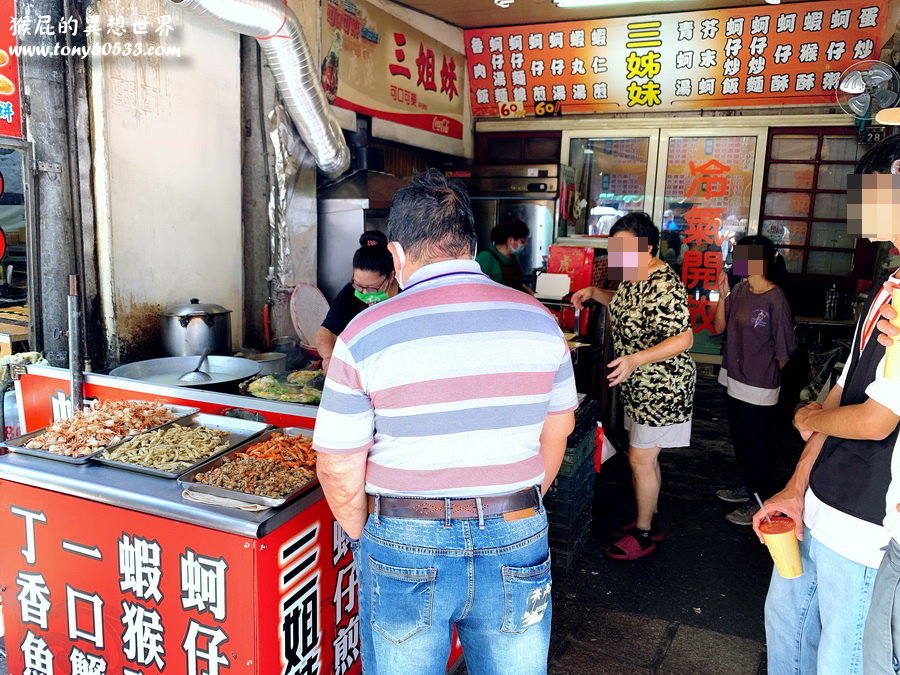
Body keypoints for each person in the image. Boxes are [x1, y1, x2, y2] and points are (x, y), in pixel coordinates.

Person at [313, 169, 577, 674]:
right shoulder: (541, 322)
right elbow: (558, 432)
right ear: (472, 245)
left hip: (407, 532)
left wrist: (368, 534)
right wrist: (517, 504)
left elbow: (337, 465)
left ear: (396, 254)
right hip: (517, 532)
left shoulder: (365, 333)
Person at [752, 135, 900, 675]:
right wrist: (796, 486)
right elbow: (847, 385)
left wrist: (810, 416)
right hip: (819, 505)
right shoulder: (890, 281)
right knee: (788, 635)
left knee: (844, 656)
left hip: (869, 527)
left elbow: (875, 418)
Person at [571, 212, 696, 560]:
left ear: (649, 247)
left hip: (662, 386)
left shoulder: (663, 283)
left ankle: (643, 533)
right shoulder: (632, 276)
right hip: (639, 384)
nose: (618, 255)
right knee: (645, 455)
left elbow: (684, 339)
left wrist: (634, 360)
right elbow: (624, 304)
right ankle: (649, 521)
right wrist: (596, 292)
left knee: (642, 457)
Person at [713, 235, 796, 526]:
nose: (736, 260)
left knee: (757, 444)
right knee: (740, 439)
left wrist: (764, 374)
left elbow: (784, 351)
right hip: (733, 377)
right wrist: (722, 294)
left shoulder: (776, 298)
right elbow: (719, 327)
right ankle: (749, 487)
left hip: (759, 386)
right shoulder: (740, 290)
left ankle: (759, 499)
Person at [315, 231, 398, 372]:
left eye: (372, 288)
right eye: (358, 285)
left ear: (391, 276)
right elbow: (327, 331)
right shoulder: (349, 293)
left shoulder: (407, 294)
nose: (363, 293)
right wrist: (329, 360)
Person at [475, 218, 535, 294]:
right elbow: (477, 286)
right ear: (511, 240)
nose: (524, 244)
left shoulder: (514, 257)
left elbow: (517, 283)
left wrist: (531, 293)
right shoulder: (485, 258)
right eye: (522, 241)